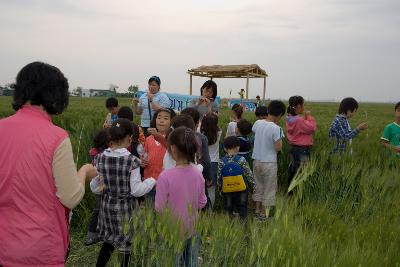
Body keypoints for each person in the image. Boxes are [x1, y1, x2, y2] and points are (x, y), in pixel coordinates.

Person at [0, 62, 97, 266]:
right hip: (40, 248)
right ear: (56, 94)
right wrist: (85, 171)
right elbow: (70, 197)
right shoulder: (56, 137)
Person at [94, 119, 156, 267]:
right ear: (129, 137)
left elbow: (95, 186)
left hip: (107, 207)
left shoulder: (99, 157)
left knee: (109, 242)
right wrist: (152, 180)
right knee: (125, 246)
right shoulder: (132, 161)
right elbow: (136, 190)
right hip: (125, 210)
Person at [155, 127, 207, 267]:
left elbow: (159, 208)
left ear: (173, 149)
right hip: (193, 227)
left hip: (170, 230)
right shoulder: (198, 174)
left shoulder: (165, 176)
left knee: (172, 261)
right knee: (191, 261)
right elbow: (202, 202)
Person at [252, 100, 286, 221]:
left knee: (258, 186)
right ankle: (263, 215)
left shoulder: (257, 123)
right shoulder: (277, 128)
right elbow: (278, 147)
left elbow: (255, 132)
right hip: (269, 163)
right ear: (280, 114)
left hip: (256, 160)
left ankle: (256, 210)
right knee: (269, 189)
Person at [141, 108, 176, 202]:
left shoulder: (172, 140)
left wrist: (158, 136)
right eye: (159, 117)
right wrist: (142, 162)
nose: (161, 120)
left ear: (171, 122)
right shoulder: (148, 139)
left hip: (165, 184)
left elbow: (171, 150)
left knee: (164, 213)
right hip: (149, 182)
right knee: (150, 212)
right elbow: (144, 156)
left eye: (165, 118)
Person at [217, 136, 255, 219]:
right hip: (241, 189)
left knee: (228, 208)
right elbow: (249, 174)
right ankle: (244, 226)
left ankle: (230, 226)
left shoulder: (221, 161)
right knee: (242, 208)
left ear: (225, 148)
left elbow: (219, 177)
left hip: (227, 189)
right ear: (238, 147)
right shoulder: (241, 160)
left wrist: (220, 190)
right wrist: (253, 187)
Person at [85, 129, 110, 246]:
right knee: (100, 210)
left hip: (97, 186)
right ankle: (92, 235)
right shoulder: (104, 155)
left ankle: (95, 234)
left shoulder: (95, 153)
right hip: (103, 186)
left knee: (98, 210)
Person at [286, 96, 317, 189]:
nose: (304, 107)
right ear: (299, 105)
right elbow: (311, 128)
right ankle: (297, 192)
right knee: (301, 172)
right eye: (303, 105)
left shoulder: (289, 117)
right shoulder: (299, 120)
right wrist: (309, 117)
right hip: (302, 149)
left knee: (293, 170)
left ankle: (290, 191)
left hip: (294, 148)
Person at [200, 113, 222, 208]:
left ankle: (201, 207)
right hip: (214, 162)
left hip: (202, 161)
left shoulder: (200, 133)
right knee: (211, 189)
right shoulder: (219, 132)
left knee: (201, 187)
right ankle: (210, 210)